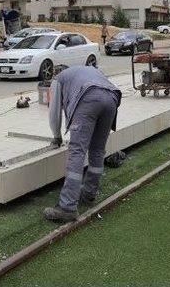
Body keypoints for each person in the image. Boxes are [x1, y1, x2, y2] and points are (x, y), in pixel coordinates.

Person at [44, 65, 122, 222]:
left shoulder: (58, 79)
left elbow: (54, 114)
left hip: (89, 97)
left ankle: (67, 207)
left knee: (77, 151)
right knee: (98, 150)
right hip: (112, 98)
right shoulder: (83, 71)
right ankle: (88, 194)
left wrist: (57, 137)